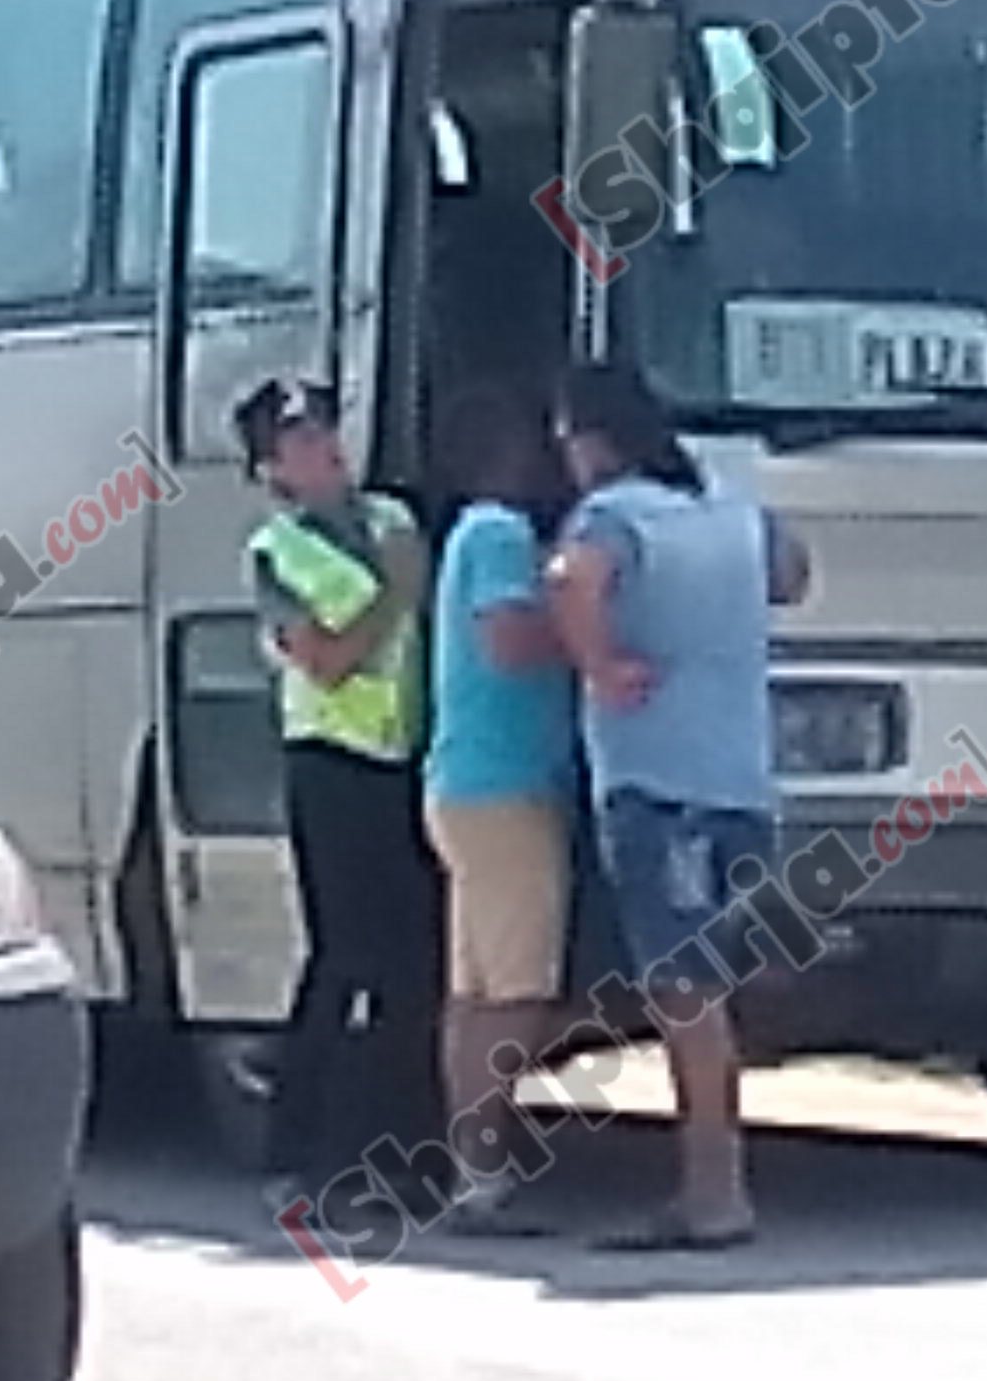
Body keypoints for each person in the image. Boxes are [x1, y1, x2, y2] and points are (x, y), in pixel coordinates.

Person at [546, 363, 810, 1251]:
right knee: (713, 986)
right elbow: (793, 575)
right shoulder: (733, 509)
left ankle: (712, 1191)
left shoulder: (612, 516)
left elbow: (571, 581)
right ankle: (717, 1176)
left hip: (658, 786)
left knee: (682, 991)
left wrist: (600, 663)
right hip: (744, 780)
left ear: (591, 438)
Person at [232, 377, 440, 1218]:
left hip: (401, 761)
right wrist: (393, 594)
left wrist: (398, 586)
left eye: (323, 427)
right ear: (271, 467)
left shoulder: (392, 519)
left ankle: (407, 1161)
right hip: (329, 762)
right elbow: (325, 658)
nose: (323, 446)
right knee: (341, 958)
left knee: (412, 973)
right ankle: (296, 1152)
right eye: (298, 439)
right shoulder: (275, 550)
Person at [422, 384, 579, 1233]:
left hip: (465, 786)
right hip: (508, 787)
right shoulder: (501, 534)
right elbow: (509, 641)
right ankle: (485, 1164)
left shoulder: (472, 535)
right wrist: (590, 626)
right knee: (519, 993)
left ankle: (474, 1169)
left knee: (474, 992)